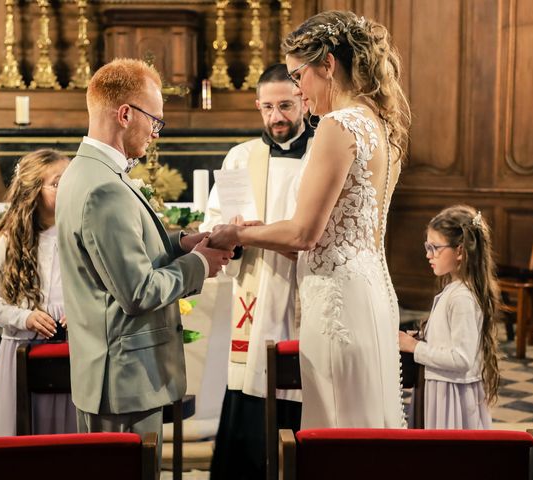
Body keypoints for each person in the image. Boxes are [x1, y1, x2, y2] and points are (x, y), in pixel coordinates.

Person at [209, 11, 411, 429]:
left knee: (335, 423)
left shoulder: (338, 126)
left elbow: (304, 233)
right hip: (371, 287)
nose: (299, 88)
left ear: (328, 65)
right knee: (363, 421)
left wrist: (236, 231)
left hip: (335, 298)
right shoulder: (380, 125)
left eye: (300, 75)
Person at [55, 58, 232, 457]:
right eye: (155, 119)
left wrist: (179, 244)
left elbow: (112, 256)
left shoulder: (85, 172)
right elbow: (136, 291)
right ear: (124, 114)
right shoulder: (105, 188)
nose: (156, 131)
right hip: (123, 380)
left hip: (111, 372)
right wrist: (200, 264)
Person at [201, 63, 313, 480]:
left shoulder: (325, 152)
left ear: (304, 99)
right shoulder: (241, 156)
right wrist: (228, 233)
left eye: (285, 105)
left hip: (307, 285)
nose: (277, 117)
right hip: (257, 287)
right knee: (253, 381)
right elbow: (215, 221)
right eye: (267, 107)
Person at [0, 148, 76, 436]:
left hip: (71, 347)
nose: (67, 189)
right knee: (25, 427)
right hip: (22, 347)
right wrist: (24, 318)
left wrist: (83, 311)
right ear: (33, 191)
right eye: (57, 183)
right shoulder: (12, 239)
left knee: (66, 431)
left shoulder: (80, 235)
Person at [399, 205, 500, 429]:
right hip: (441, 388)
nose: (428, 254)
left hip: (451, 397)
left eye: (435, 247)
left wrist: (415, 347)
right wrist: (425, 337)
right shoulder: (454, 290)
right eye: (427, 247)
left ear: (460, 251)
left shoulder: (461, 297)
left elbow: (462, 359)